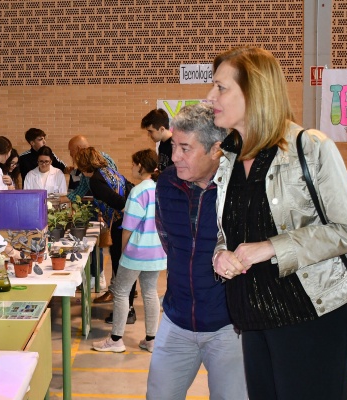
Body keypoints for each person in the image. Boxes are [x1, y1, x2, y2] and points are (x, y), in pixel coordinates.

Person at [209, 46, 347, 400]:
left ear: (254, 91)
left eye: (221, 88)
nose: (210, 96)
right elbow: (230, 231)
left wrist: (270, 248)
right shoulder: (229, 159)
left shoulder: (309, 148)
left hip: (312, 313)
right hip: (254, 317)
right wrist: (222, 255)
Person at [149, 102, 245, 400]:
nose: (174, 156)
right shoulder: (166, 183)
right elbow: (168, 239)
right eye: (174, 145)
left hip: (229, 327)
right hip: (176, 320)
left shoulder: (242, 186)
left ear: (216, 149)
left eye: (185, 148)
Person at [92, 149, 165, 353]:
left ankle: (116, 340)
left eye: (134, 164)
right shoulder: (160, 189)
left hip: (137, 251)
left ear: (141, 166)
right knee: (150, 292)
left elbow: (128, 227)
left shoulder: (138, 191)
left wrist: (124, 251)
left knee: (122, 292)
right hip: (157, 251)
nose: (131, 167)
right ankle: (152, 340)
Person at [73, 147, 135, 322]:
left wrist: (117, 217)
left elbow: (119, 203)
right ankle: (127, 309)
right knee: (126, 268)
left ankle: (126, 312)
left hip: (122, 226)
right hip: (126, 224)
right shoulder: (109, 172)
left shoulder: (96, 181)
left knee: (121, 268)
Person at [66, 135, 117, 201]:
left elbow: (112, 190)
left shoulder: (102, 160)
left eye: (71, 150)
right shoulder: (86, 166)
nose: (70, 154)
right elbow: (80, 191)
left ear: (78, 149)